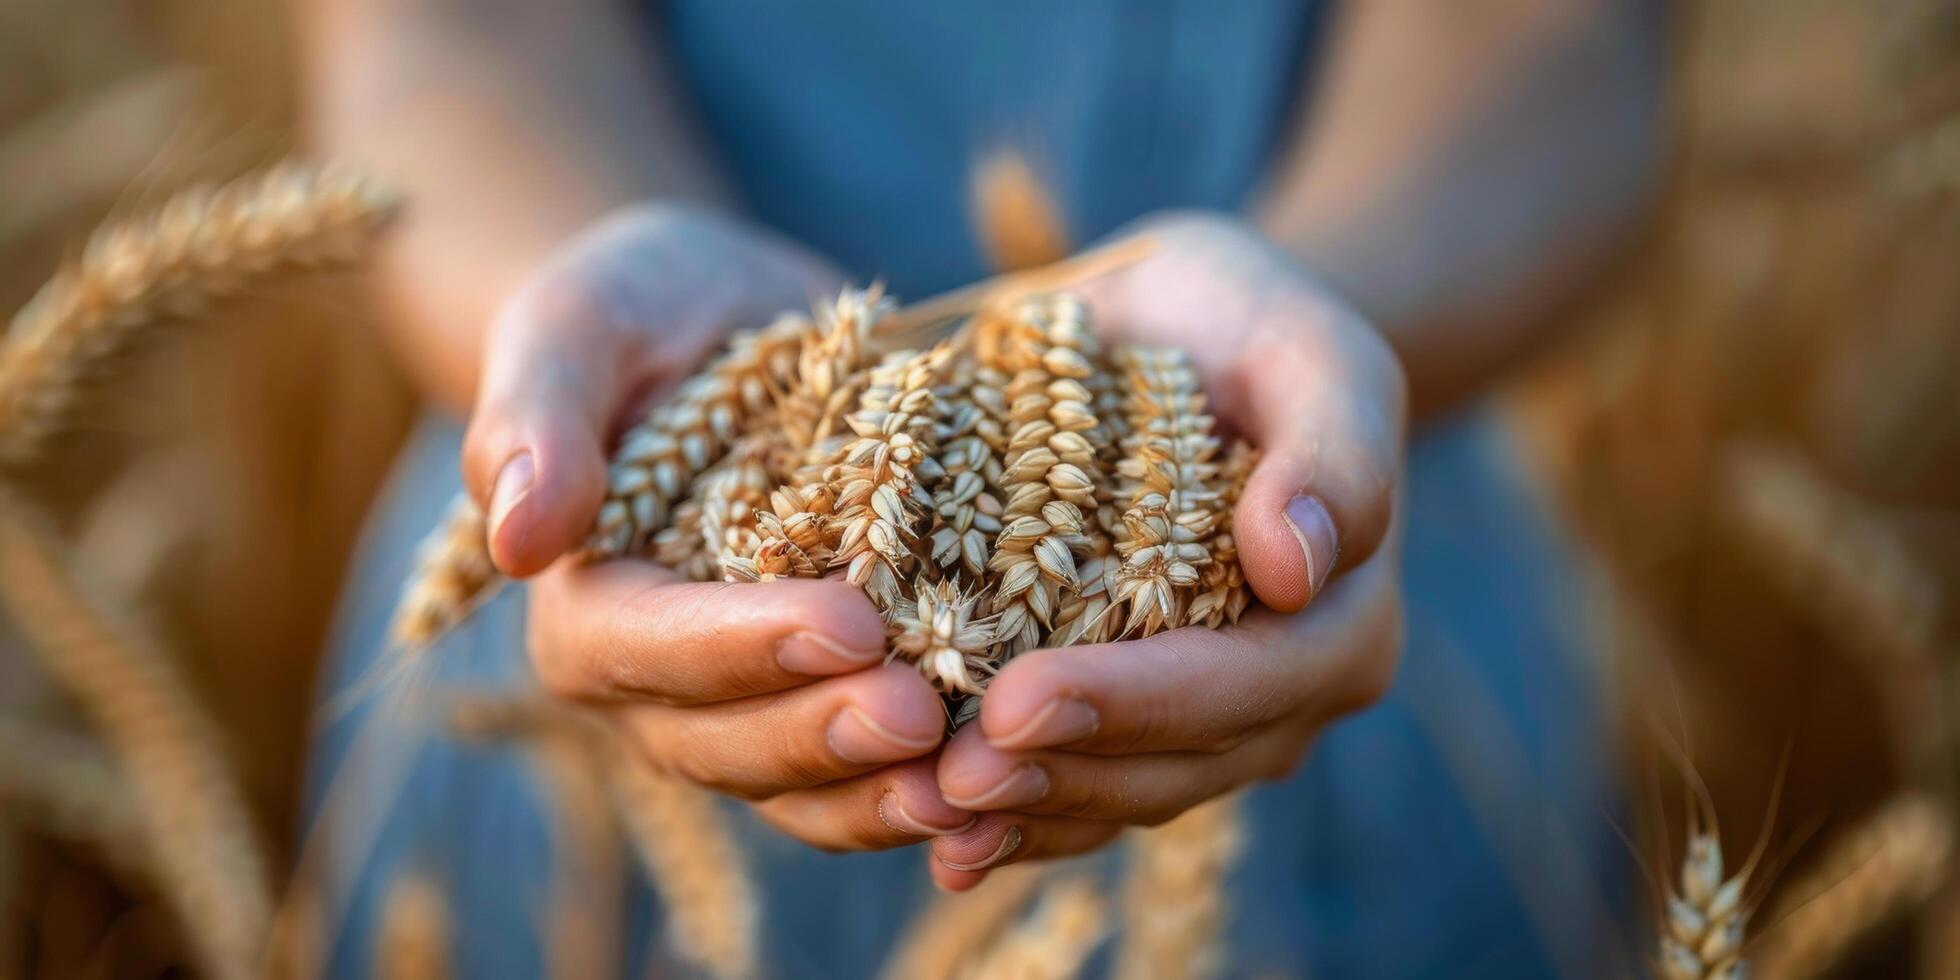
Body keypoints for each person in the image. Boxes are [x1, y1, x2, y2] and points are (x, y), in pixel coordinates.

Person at [300, 1, 1667, 976]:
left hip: (1358, 643)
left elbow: (1559, 36)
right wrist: (575, 320)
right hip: (585, 731)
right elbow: (438, 33)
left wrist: (1332, 320)